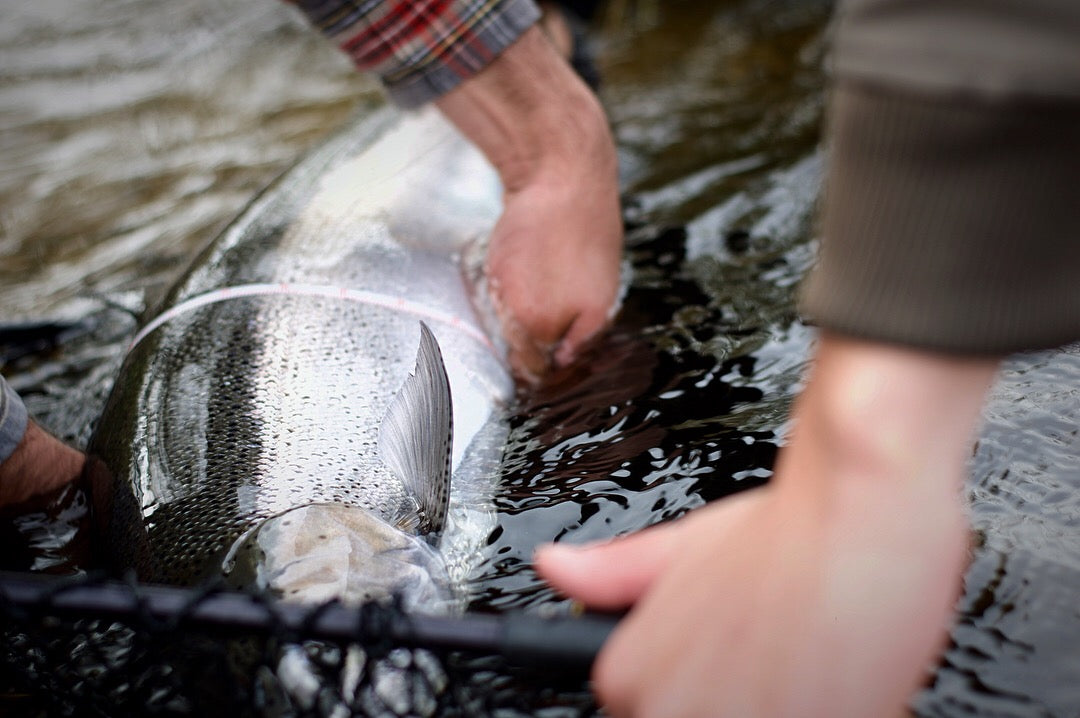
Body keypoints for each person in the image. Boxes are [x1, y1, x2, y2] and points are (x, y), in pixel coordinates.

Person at [2, 1, 1078, 716]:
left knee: (556, 80)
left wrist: (555, 147)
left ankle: (553, 33)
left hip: (384, 221)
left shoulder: (352, 538)